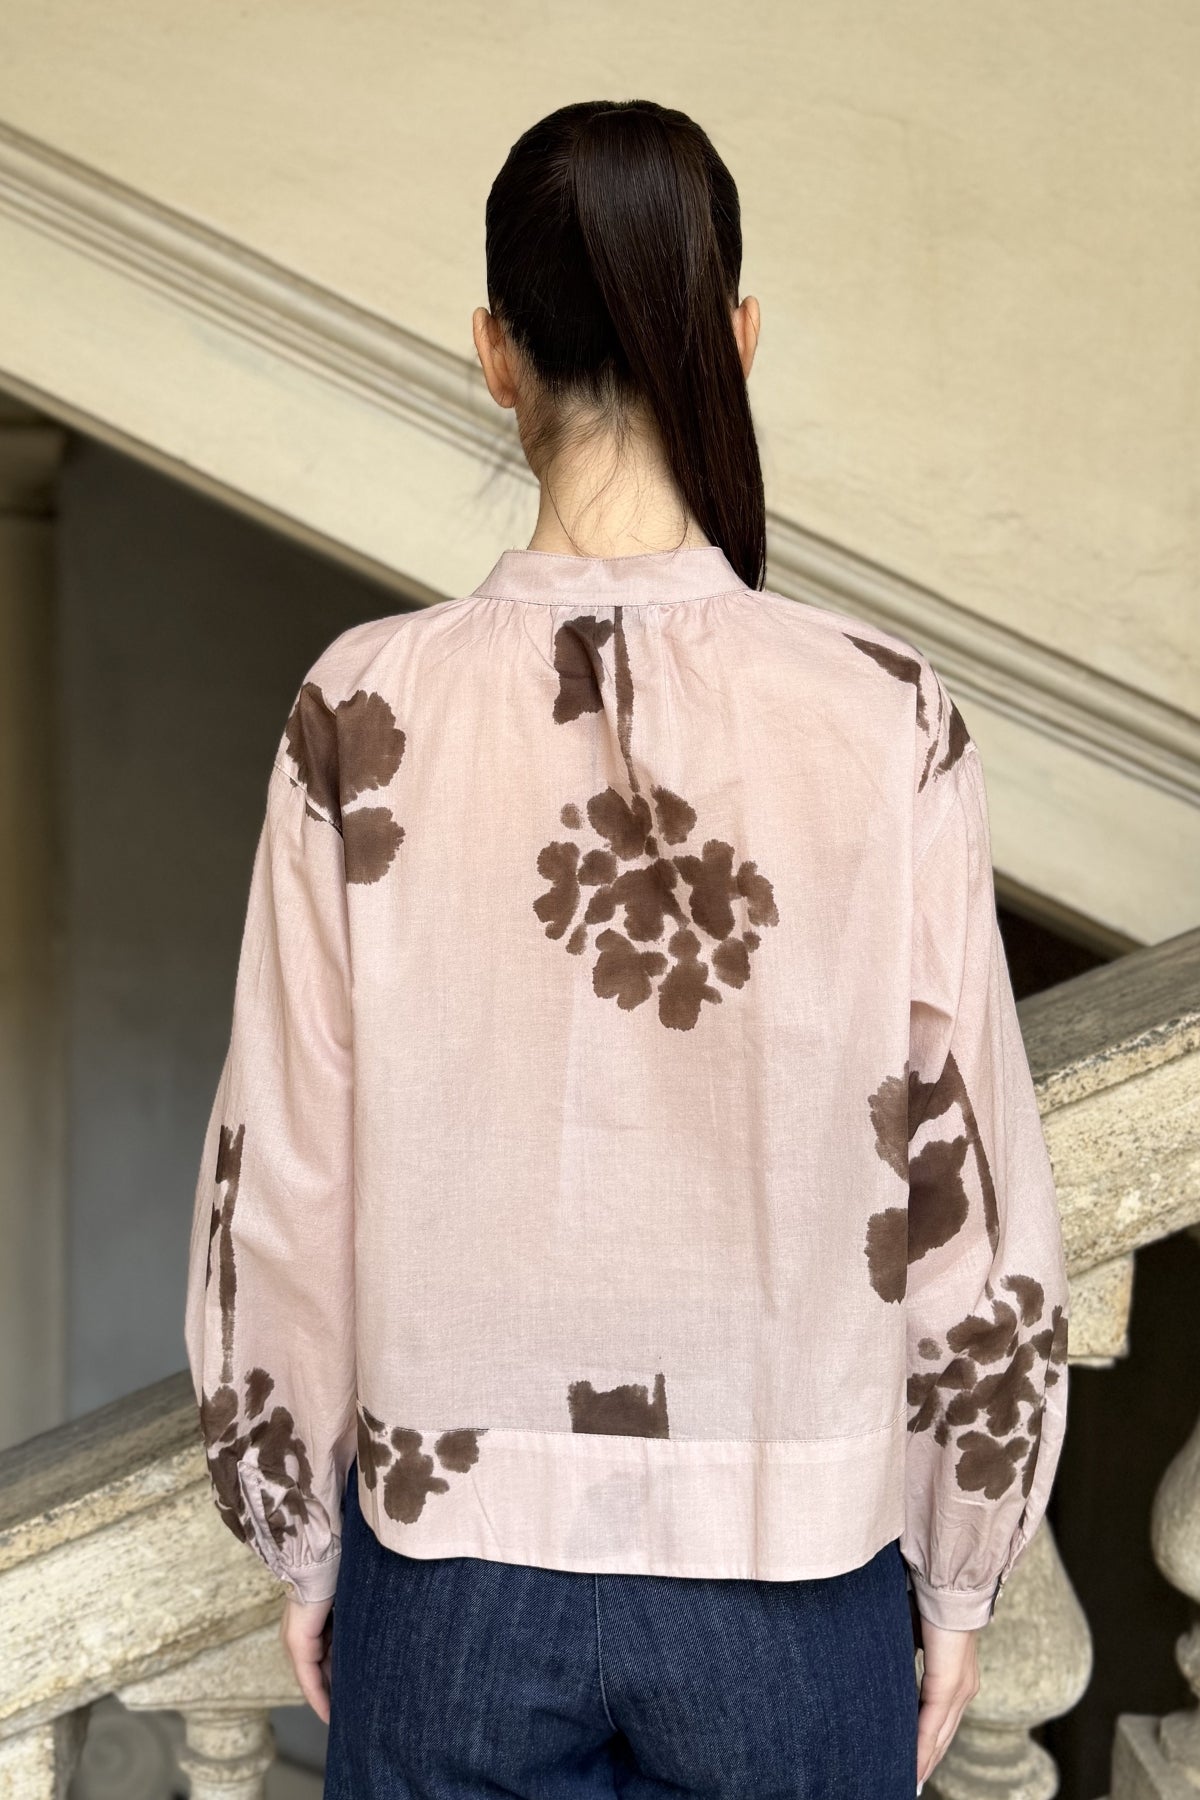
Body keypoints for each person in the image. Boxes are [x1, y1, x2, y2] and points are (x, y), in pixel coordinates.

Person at [184, 98, 1070, 1799]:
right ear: (735, 337)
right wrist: (964, 1566)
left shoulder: (361, 709)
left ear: (493, 355)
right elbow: (965, 1178)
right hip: (792, 1565)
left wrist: (298, 1534)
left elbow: (281, 1179)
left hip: (450, 1572)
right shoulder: (881, 714)